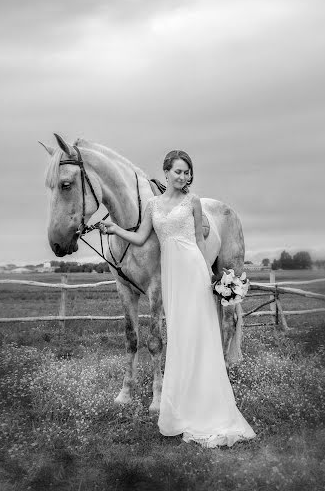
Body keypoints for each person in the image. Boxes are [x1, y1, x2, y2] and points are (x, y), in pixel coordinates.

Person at [99, 150, 256, 448]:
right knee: (181, 337)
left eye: (187, 172)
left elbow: (198, 240)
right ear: (166, 172)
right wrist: (115, 228)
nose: (183, 177)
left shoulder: (193, 202)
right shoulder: (153, 205)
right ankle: (182, 404)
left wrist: (211, 278)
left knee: (199, 334)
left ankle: (209, 404)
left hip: (193, 270)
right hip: (172, 277)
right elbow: (141, 237)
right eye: (178, 171)